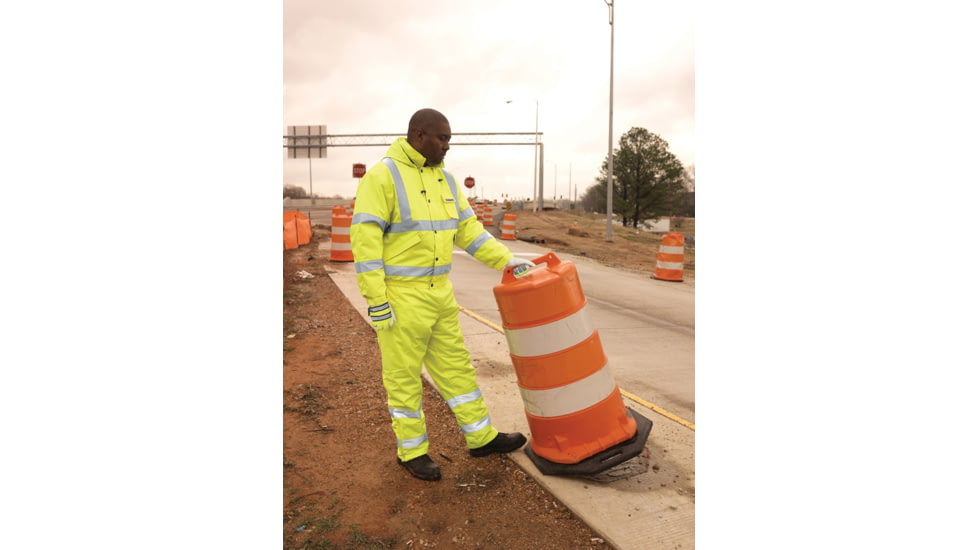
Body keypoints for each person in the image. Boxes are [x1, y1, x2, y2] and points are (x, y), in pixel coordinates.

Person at [350, 108, 535, 482]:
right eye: (442, 138)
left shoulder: (446, 181)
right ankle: (412, 451)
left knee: (457, 369)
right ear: (419, 136)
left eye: (449, 139)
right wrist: (377, 301)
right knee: (403, 377)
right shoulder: (382, 176)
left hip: (440, 295)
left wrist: (507, 261)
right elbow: (365, 244)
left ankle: (480, 437)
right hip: (401, 299)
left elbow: (469, 232)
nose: (448, 146)